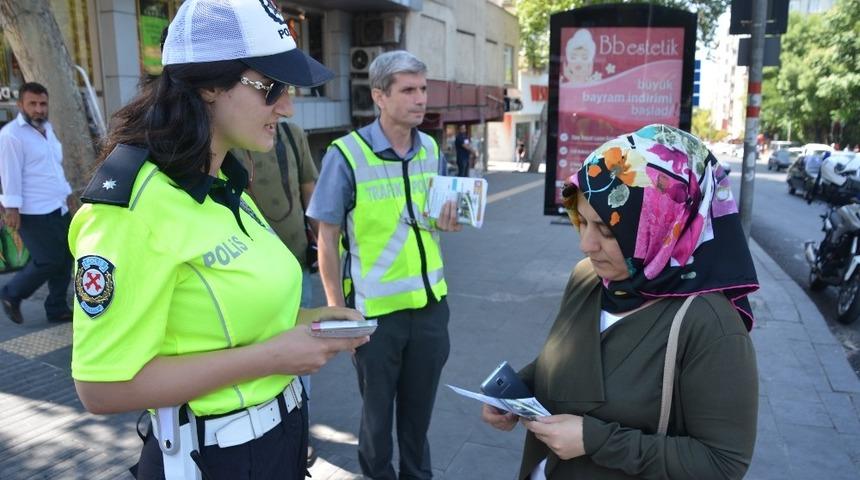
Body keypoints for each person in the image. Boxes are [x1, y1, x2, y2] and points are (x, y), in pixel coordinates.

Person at [68, 1, 367, 479]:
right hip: (212, 457)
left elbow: (220, 317)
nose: (287, 106)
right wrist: (273, 357)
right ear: (208, 84)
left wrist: (311, 320)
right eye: (271, 87)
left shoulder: (225, 181)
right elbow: (101, 387)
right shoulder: (132, 208)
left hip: (280, 438)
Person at [482, 124, 760, 479]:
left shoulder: (710, 325)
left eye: (607, 230)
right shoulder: (590, 277)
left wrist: (595, 440)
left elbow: (723, 463)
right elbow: (572, 355)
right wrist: (518, 391)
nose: (586, 244)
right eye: (581, 220)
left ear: (662, 226)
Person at [308, 50, 461, 480]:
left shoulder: (431, 149)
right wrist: (339, 312)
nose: (420, 99)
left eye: (423, 89)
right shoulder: (347, 154)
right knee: (377, 422)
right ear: (379, 95)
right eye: (408, 90)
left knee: (418, 418)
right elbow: (326, 238)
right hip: (375, 316)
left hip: (431, 309)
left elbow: (432, 220)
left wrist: (450, 221)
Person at [234, 118, 321, 467]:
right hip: (243, 272)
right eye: (273, 90)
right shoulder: (219, 138)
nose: (284, 102)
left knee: (300, 353)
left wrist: (328, 245)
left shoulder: (290, 134)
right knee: (251, 349)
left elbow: (309, 190)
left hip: (295, 264)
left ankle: (298, 431)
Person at [0, 81, 75, 324]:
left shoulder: (47, 129)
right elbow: (9, 173)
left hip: (58, 205)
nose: (39, 109)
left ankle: (56, 307)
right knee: (48, 259)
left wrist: (68, 195)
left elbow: (53, 168)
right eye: (32, 104)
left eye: (43, 104)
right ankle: (12, 293)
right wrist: (11, 208)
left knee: (65, 257)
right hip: (31, 211)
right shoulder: (11, 135)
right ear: (20, 104)